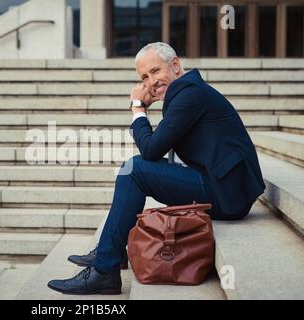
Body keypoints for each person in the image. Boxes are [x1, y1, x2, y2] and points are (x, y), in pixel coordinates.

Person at [47, 42, 266, 295]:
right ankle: (111, 254)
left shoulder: (189, 94)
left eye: (155, 71)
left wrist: (138, 108)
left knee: (135, 169)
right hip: (219, 182)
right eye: (144, 77)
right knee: (134, 169)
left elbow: (151, 150)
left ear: (175, 65)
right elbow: (156, 147)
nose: (151, 81)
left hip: (227, 193)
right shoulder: (185, 92)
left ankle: (105, 269)